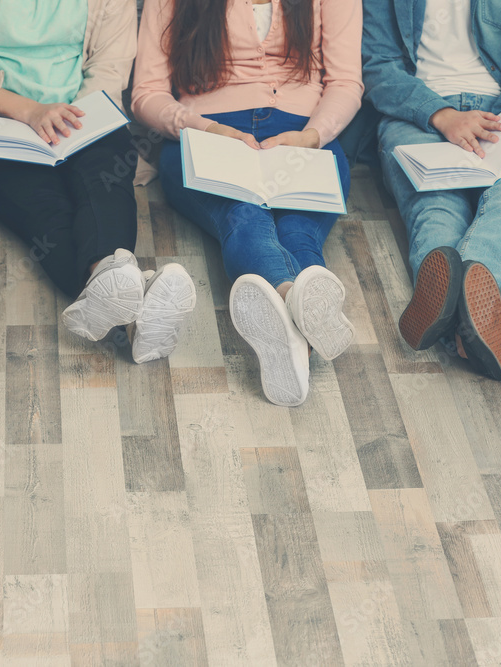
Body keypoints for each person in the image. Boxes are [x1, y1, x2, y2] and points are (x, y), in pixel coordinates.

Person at [0, 0, 197, 363]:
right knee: (47, 210)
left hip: (80, 114)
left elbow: (109, 69)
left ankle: (106, 274)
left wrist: (69, 126)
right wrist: (31, 112)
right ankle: (134, 310)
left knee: (104, 187)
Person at [132, 0, 363, 407]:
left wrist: (311, 137)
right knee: (243, 216)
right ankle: (294, 298)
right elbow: (146, 94)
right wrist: (205, 128)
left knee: (297, 230)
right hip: (206, 133)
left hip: (304, 132)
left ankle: (289, 336)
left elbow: (346, 82)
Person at [362, 0, 501, 381]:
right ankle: (472, 312)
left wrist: (500, 128)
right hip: (419, 112)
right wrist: (443, 116)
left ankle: (463, 302)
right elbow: (378, 65)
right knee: (435, 205)